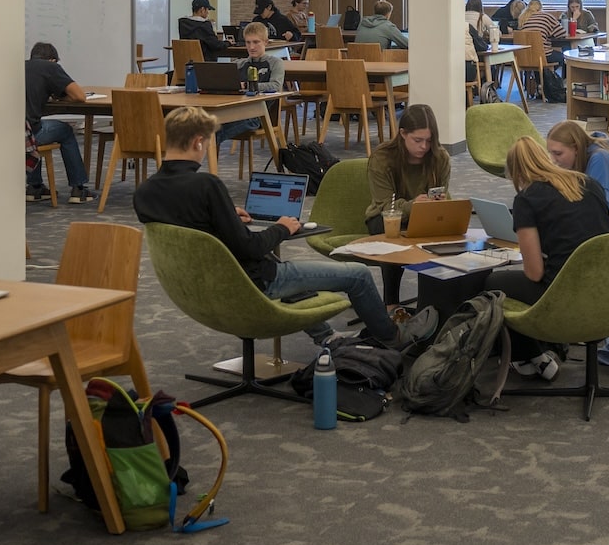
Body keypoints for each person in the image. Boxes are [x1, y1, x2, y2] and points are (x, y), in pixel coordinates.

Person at [136, 107, 433, 350]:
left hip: (200, 286)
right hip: (253, 281)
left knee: (298, 277)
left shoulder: (145, 193)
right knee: (357, 275)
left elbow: (189, 228)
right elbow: (250, 248)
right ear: (198, 142)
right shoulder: (206, 185)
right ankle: (394, 339)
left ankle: (328, 339)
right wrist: (282, 227)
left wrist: (222, 216)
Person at [493, 135, 609, 378]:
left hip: (566, 293)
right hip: (608, 287)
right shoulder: (587, 182)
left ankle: (527, 355)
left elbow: (534, 273)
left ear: (516, 174)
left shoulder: (526, 199)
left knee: (493, 283)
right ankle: (542, 352)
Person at [365, 104, 453, 233]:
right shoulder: (381, 159)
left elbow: (441, 198)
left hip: (426, 215)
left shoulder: (440, 158)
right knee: (390, 226)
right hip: (386, 217)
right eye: (417, 140)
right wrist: (412, 207)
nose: (424, 146)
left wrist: (438, 203)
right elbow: (386, 206)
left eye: (429, 141)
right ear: (403, 133)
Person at [25, 41, 93, 203]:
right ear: (53, 60)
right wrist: (61, 95)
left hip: (11, 131)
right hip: (29, 135)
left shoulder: (21, 66)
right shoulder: (51, 68)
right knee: (65, 130)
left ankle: (34, 188)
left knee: (33, 125)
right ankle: (78, 188)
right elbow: (79, 97)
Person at [213, 23, 282, 151]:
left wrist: (248, 86)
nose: (251, 47)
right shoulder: (240, 64)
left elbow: (276, 86)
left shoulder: (275, 63)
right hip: (237, 111)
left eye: (256, 42)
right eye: (248, 43)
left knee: (215, 132)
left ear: (266, 42)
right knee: (210, 124)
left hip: (259, 115)